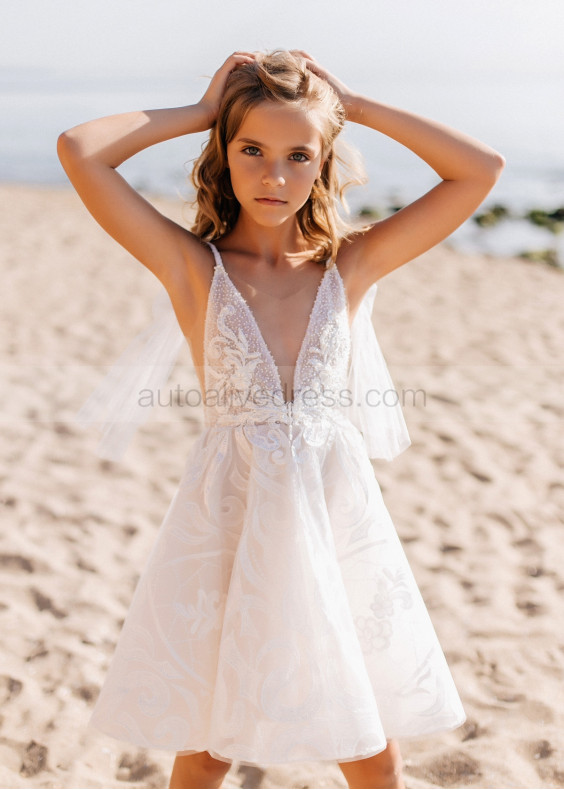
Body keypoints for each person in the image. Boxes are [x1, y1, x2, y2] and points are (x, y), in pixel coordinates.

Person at [57, 50, 504, 789]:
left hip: (333, 525)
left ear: (323, 162)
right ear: (223, 155)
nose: (274, 176)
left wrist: (351, 104)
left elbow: (479, 170)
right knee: (208, 748)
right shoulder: (194, 270)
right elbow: (81, 151)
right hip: (233, 527)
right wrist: (204, 109)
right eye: (252, 150)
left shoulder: (349, 268)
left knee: (372, 748)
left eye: (299, 155)